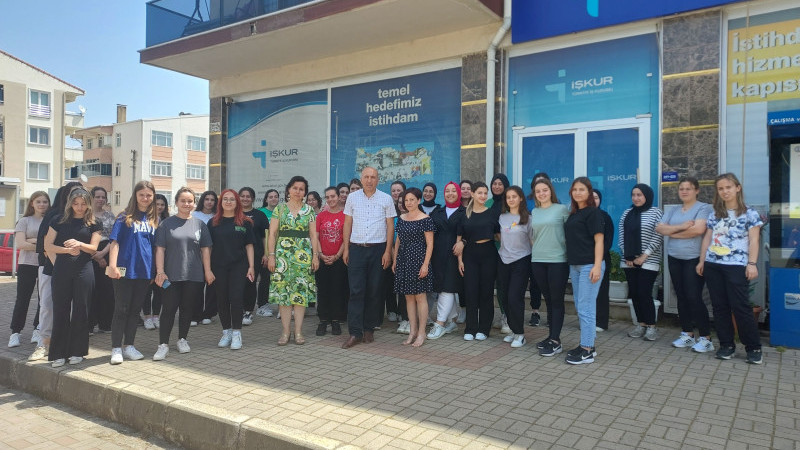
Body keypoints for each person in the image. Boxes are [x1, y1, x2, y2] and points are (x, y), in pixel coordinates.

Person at [696, 173, 763, 364]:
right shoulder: (715, 214)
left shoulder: (750, 214)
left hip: (737, 266)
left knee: (741, 307)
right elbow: (707, 238)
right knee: (719, 307)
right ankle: (726, 345)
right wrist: (702, 261)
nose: (725, 191)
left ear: (737, 188)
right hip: (713, 265)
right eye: (721, 188)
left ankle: (753, 347)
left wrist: (752, 263)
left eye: (728, 187)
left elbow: (754, 240)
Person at [153, 188, 214, 361]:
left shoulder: (199, 224)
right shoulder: (166, 224)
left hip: (194, 275)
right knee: (169, 310)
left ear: (194, 203)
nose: (187, 204)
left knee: (187, 309)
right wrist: (160, 271)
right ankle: (163, 344)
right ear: (176, 203)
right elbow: (160, 249)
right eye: (183, 201)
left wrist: (208, 271)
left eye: (190, 201)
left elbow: (205, 250)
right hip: (170, 275)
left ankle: (182, 339)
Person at [44, 188, 102, 367]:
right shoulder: (58, 220)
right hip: (62, 269)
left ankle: (78, 351)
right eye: (76, 203)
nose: (79, 207)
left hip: (84, 269)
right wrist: (67, 250)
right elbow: (48, 246)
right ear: (70, 203)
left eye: (83, 204)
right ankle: (58, 353)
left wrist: (79, 244)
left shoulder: (94, 222)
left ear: (88, 204)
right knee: (60, 310)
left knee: (81, 310)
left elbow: (93, 249)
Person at [656, 177, 713, 352]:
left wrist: (672, 232)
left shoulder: (703, 208)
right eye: (681, 188)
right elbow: (660, 228)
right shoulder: (674, 210)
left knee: (693, 296)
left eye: (688, 188)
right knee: (681, 296)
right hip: (674, 257)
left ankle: (706, 338)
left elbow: (698, 230)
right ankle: (687, 334)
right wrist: (681, 227)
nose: (684, 191)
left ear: (697, 190)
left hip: (693, 258)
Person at [341, 167, 396, 348]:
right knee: (356, 291)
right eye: (366, 177)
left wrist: (388, 251)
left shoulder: (386, 199)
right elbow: (347, 223)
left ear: (378, 180)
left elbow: (390, 226)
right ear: (361, 179)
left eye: (373, 177)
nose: (369, 180)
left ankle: (369, 329)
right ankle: (355, 333)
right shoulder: (352, 198)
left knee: (374, 290)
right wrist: (346, 249)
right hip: (356, 249)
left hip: (378, 249)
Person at [29, 181, 83, 362]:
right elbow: (46, 246)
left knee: (70, 308)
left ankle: (65, 344)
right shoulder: (54, 215)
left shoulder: (83, 218)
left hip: (74, 271)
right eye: (73, 193)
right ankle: (43, 344)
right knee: (47, 305)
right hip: (51, 268)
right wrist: (61, 268)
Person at [106, 181, 158, 364]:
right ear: (135, 196)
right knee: (121, 309)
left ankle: (129, 346)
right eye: (141, 195)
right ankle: (116, 348)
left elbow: (155, 248)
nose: (145, 198)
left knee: (135, 311)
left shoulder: (154, 219)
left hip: (144, 272)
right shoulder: (124, 217)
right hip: (123, 271)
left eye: (149, 195)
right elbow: (115, 242)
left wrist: (155, 271)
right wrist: (112, 265)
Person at [267, 176, 320, 345]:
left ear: (305, 192)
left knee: (300, 295)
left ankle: (298, 332)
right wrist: (271, 256)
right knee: (284, 295)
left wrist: (315, 256)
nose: (298, 191)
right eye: (295, 188)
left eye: (301, 189)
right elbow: (272, 234)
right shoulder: (280, 209)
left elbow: (313, 235)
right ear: (289, 190)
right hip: (282, 256)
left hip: (303, 256)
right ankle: (285, 332)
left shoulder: (309, 210)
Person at [564, 177, 605, 365]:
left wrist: (597, 266)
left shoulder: (593, 213)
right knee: (582, 306)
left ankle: (586, 350)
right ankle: (588, 345)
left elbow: (599, 240)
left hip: (590, 265)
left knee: (585, 308)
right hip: (575, 265)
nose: (578, 192)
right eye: (575, 189)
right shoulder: (574, 213)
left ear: (589, 192)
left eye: (582, 189)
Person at [208, 189, 255, 350]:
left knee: (236, 298)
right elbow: (208, 248)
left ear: (237, 202)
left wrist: (251, 266)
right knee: (222, 299)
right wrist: (207, 269)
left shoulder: (245, 222)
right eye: (225, 199)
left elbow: (249, 245)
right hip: (218, 266)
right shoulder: (213, 222)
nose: (228, 202)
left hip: (239, 266)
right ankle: (226, 332)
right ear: (221, 202)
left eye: (232, 199)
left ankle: (236, 333)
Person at [530, 179, 570, 357]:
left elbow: (570, 233)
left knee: (557, 300)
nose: (541, 193)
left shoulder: (561, 209)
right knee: (548, 300)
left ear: (551, 191)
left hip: (558, 261)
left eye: (544, 190)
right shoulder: (535, 211)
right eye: (538, 191)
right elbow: (534, 236)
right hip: (538, 260)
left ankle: (555, 340)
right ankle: (551, 336)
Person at [619, 183, 663, 341]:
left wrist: (644, 256)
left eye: (639, 195)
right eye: (633, 195)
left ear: (647, 196)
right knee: (635, 293)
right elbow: (621, 236)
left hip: (649, 260)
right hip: (629, 261)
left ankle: (651, 326)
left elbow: (658, 235)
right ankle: (641, 324)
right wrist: (628, 256)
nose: (636, 198)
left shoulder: (656, 212)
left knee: (644, 292)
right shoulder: (627, 213)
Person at [456, 182, 499, 341]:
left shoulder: (492, 213)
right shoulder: (464, 214)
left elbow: (498, 236)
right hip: (470, 255)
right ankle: (471, 328)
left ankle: (484, 329)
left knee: (486, 292)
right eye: (480, 193)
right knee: (471, 291)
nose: (483, 196)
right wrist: (460, 261)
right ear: (472, 194)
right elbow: (459, 239)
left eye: (485, 193)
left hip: (488, 253)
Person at [393, 188, 435, 347]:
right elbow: (398, 240)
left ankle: (422, 333)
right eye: (406, 200)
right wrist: (395, 260)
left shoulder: (426, 219)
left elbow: (430, 244)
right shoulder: (401, 218)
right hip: (403, 261)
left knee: (420, 297)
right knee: (408, 297)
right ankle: (412, 331)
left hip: (419, 261)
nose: (409, 203)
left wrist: (425, 264)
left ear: (418, 200)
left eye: (412, 199)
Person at [8, 191, 49, 348]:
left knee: (42, 299)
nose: (42, 204)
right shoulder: (24, 221)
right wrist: (42, 244)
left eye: (45, 201)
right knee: (22, 299)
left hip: (44, 264)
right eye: (38, 201)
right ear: (32, 203)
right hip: (26, 265)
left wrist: (31, 240)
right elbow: (21, 244)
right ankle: (15, 332)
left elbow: (52, 243)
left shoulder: (50, 221)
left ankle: (37, 329)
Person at [427, 182, 465, 340]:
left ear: (459, 193)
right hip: (437, 255)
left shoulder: (465, 212)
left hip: (456, 256)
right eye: (447, 191)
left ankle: (440, 323)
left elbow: (471, 232)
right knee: (442, 286)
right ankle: (452, 321)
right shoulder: (438, 212)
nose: (450, 193)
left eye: (453, 191)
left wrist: (464, 242)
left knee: (447, 288)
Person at [497, 186, 533, 348]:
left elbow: (533, 241)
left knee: (514, 297)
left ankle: (520, 334)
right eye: (508, 197)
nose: (511, 199)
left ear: (521, 198)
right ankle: (512, 330)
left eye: (514, 196)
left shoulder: (528, 219)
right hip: (503, 260)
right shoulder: (502, 217)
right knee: (504, 298)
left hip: (521, 261)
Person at [314, 187, 348, 336]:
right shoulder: (321, 216)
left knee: (337, 291)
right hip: (322, 259)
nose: (330, 199)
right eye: (327, 197)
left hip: (338, 260)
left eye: (333, 196)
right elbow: (315, 237)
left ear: (338, 197)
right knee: (323, 290)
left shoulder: (345, 216)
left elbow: (346, 239)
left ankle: (335, 321)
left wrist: (337, 256)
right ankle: (323, 320)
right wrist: (320, 254)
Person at [88, 186, 116, 335]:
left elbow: (114, 238)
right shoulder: (85, 215)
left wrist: (103, 254)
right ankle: (90, 325)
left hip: (107, 251)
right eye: (97, 196)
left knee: (107, 290)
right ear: (91, 198)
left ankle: (105, 324)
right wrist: (96, 256)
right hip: (88, 254)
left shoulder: (110, 216)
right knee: (91, 290)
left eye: (103, 197)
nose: (101, 199)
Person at [239, 187, 268, 326]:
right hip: (237, 255)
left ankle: (248, 311)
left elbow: (265, 237)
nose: (245, 199)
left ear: (253, 199)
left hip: (255, 255)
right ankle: (237, 310)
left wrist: (266, 254)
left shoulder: (259, 215)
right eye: (243, 196)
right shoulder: (233, 214)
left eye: (248, 196)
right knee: (237, 283)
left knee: (250, 282)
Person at [191, 190, 218, 326]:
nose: (209, 202)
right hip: (197, 255)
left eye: (212, 200)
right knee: (197, 286)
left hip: (215, 255)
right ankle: (195, 315)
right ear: (202, 200)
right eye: (207, 199)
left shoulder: (218, 216)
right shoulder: (194, 215)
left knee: (212, 286)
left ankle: (208, 313)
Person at [526, 172, 549, 327]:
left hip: (549, 250)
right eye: (537, 183)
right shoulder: (527, 202)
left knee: (549, 283)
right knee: (535, 282)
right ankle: (535, 312)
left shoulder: (556, 204)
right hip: (531, 249)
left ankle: (552, 314)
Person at [143, 194, 169, 330]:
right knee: (147, 291)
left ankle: (156, 316)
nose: (159, 207)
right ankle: (147, 317)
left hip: (163, 261)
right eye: (157, 204)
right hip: (148, 260)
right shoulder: (146, 220)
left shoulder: (168, 221)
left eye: (162, 204)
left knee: (160, 290)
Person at [255, 189, 280, 317]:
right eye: (270, 197)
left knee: (279, 280)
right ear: (266, 199)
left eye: (276, 196)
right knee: (265, 278)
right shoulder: (261, 213)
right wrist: (266, 253)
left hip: (280, 250)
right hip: (265, 251)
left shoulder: (282, 211)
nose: (273, 199)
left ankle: (282, 307)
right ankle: (262, 305)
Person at [385, 181, 406, 327]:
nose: (396, 193)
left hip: (405, 254)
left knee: (403, 285)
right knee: (390, 283)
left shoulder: (408, 210)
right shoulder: (388, 208)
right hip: (390, 251)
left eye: (399, 190)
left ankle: (402, 312)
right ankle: (392, 310)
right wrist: (392, 253)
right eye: (393, 190)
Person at [592, 189, 614, 332]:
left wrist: (597, 257)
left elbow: (608, 241)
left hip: (601, 260)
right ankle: (588, 321)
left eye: (596, 198)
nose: (593, 200)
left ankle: (601, 322)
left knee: (601, 292)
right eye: (591, 197)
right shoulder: (581, 216)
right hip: (584, 260)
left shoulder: (605, 217)